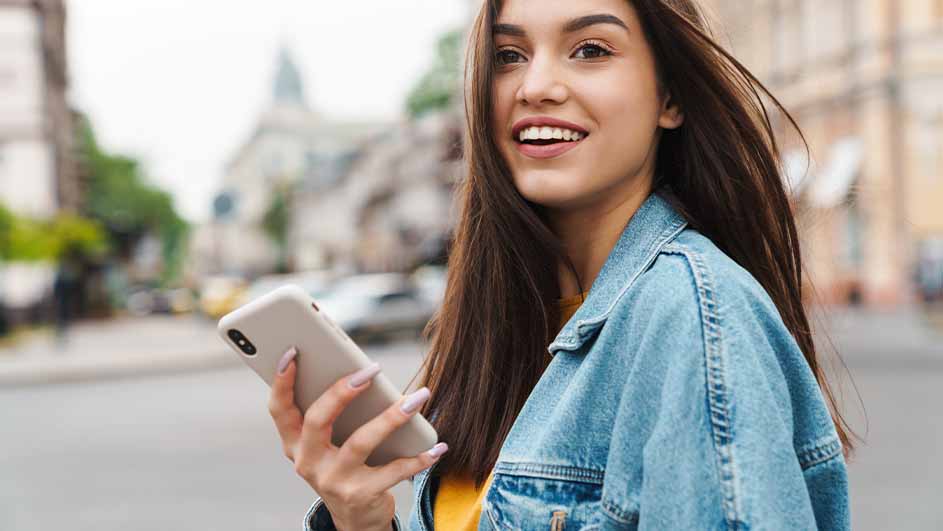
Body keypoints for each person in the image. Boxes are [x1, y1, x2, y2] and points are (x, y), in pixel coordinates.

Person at [268, 1, 856, 529]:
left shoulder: (692, 318)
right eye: (508, 55)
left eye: (591, 50)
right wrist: (361, 519)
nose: (536, 85)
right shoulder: (502, 323)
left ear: (670, 97)